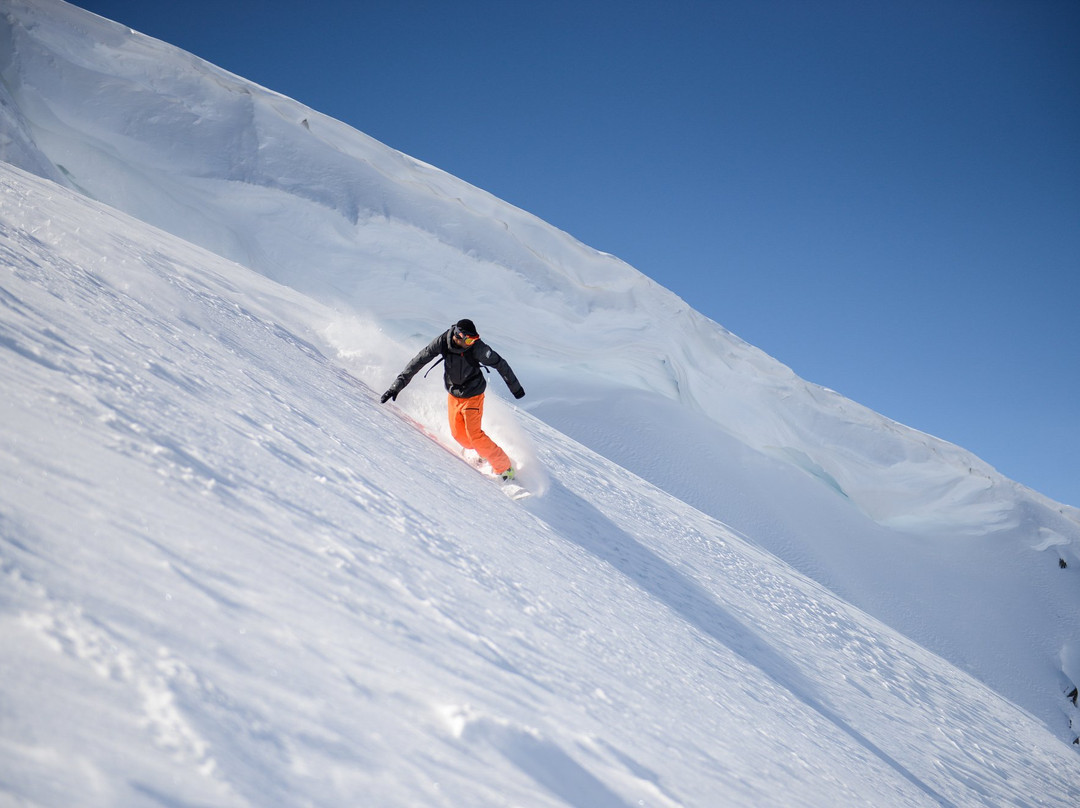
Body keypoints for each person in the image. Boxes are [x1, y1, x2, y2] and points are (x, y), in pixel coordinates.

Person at [380, 319, 525, 480]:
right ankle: (484, 452)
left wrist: (516, 388)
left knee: (474, 435)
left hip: (473, 394)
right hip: (454, 394)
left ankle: (505, 469)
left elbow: (500, 364)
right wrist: (397, 385)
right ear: (458, 335)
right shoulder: (442, 342)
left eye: (474, 340)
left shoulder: (478, 348)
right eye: (469, 340)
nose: (472, 343)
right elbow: (419, 360)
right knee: (460, 437)